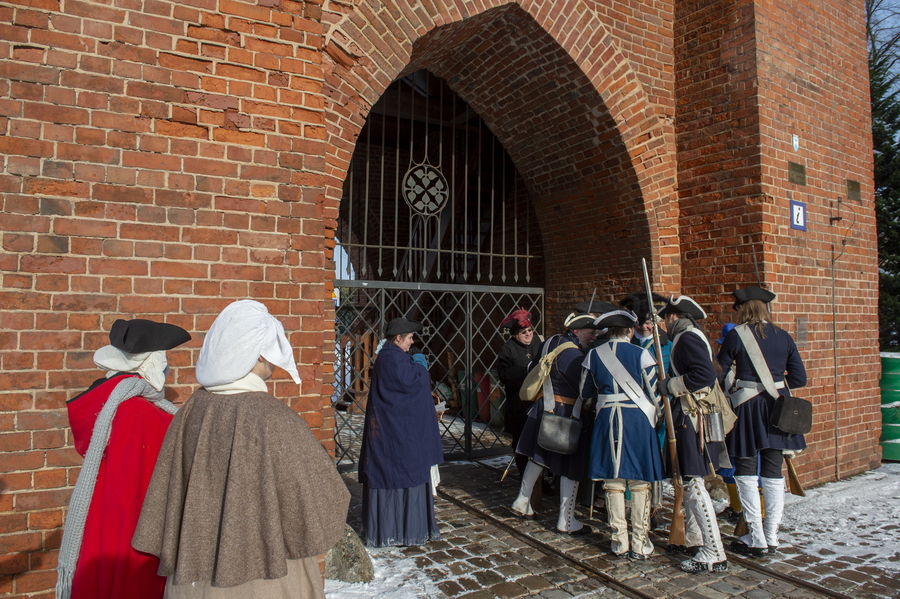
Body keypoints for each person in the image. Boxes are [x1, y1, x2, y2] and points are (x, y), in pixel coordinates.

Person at [132, 300, 350, 598]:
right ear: (259, 354)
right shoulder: (274, 418)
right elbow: (322, 498)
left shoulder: (192, 409)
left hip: (194, 577)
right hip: (267, 578)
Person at [56, 319, 190, 599]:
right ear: (151, 363)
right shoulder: (139, 412)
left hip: (103, 520)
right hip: (137, 527)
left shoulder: (106, 403)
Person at [718, 287, 807, 557]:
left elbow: (719, 370)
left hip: (747, 406)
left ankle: (756, 538)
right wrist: (776, 385)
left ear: (743, 309)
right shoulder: (784, 336)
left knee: (745, 468)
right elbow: (800, 379)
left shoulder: (736, 335)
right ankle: (772, 536)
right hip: (779, 407)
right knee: (772, 469)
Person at [581, 304, 664, 559]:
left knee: (613, 481)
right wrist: (656, 416)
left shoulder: (593, 355)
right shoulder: (642, 355)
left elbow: (585, 392)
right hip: (637, 420)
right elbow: (654, 395)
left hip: (607, 419)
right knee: (639, 481)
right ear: (629, 330)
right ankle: (640, 542)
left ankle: (619, 541)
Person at [510, 304, 598, 536]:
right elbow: (584, 389)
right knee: (572, 466)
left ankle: (522, 499)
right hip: (566, 412)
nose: (594, 336)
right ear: (577, 331)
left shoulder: (550, 341)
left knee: (537, 456)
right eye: (590, 332)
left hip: (543, 408)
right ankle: (566, 520)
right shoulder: (576, 356)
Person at [656, 295, 728, 573]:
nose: (664, 322)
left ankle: (714, 551)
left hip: (692, 417)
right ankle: (698, 539)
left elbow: (704, 375)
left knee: (694, 482)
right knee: (691, 481)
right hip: (695, 415)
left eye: (666, 317)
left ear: (675, 316)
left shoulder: (687, 338)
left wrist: (670, 384)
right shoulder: (691, 336)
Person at [358, 317, 444, 547]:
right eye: (409, 338)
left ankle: (394, 530)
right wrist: (420, 365)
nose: (412, 342)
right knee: (404, 473)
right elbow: (413, 385)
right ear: (398, 338)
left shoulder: (390, 357)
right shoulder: (393, 360)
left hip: (392, 432)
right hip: (397, 435)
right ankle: (402, 531)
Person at [496, 309, 543, 476]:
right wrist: (526, 370)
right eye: (524, 332)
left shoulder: (539, 342)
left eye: (530, 330)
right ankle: (526, 478)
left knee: (540, 443)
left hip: (539, 404)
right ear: (515, 334)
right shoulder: (507, 349)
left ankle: (541, 480)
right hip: (519, 406)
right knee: (522, 445)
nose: (528, 334)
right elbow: (504, 374)